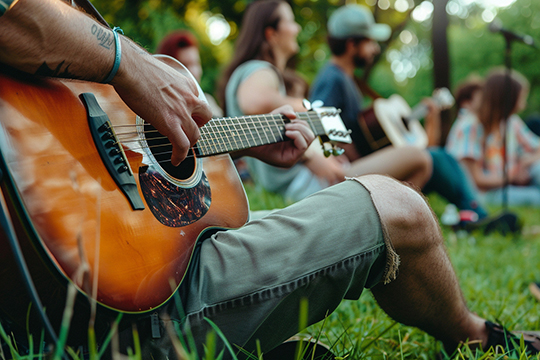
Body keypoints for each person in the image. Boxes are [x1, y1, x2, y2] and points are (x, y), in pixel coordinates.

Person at [2, 1, 540, 359]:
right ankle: (478, 337)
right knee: (397, 206)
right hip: (116, 311)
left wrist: (232, 136)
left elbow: (136, 140)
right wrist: (130, 64)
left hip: (124, 272)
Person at [218, 0, 432, 203]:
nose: (297, 29)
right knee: (419, 159)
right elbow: (254, 101)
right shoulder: (261, 69)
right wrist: (311, 147)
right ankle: (389, 222)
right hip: (304, 182)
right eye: (291, 22)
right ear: (271, 33)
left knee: (419, 158)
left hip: (305, 178)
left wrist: (321, 151)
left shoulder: (255, 72)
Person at [309, 4, 494, 224]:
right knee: (435, 158)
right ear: (352, 44)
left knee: (439, 157)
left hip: (359, 162)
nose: (375, 49)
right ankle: (475, 214)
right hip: (347, 171)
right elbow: (319, 125)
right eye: (369, 42)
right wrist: (353, 158)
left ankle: (471, 212)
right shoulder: (333, 79)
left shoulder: (347, 79)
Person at [446, 68, 540, 207]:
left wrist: (526, 163)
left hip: (512, 182)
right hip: (484, 193)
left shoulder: (510, 122)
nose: (523, 105)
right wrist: (512, 177)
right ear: (508, 99)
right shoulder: (470, 126)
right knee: (535, 198)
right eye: (521, 99)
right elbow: (475, 180)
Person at [156, 29, 224, 117]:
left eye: (196, 63)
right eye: (184, 65)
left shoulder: (209, 102)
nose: (193, 72)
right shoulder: (154, 102)